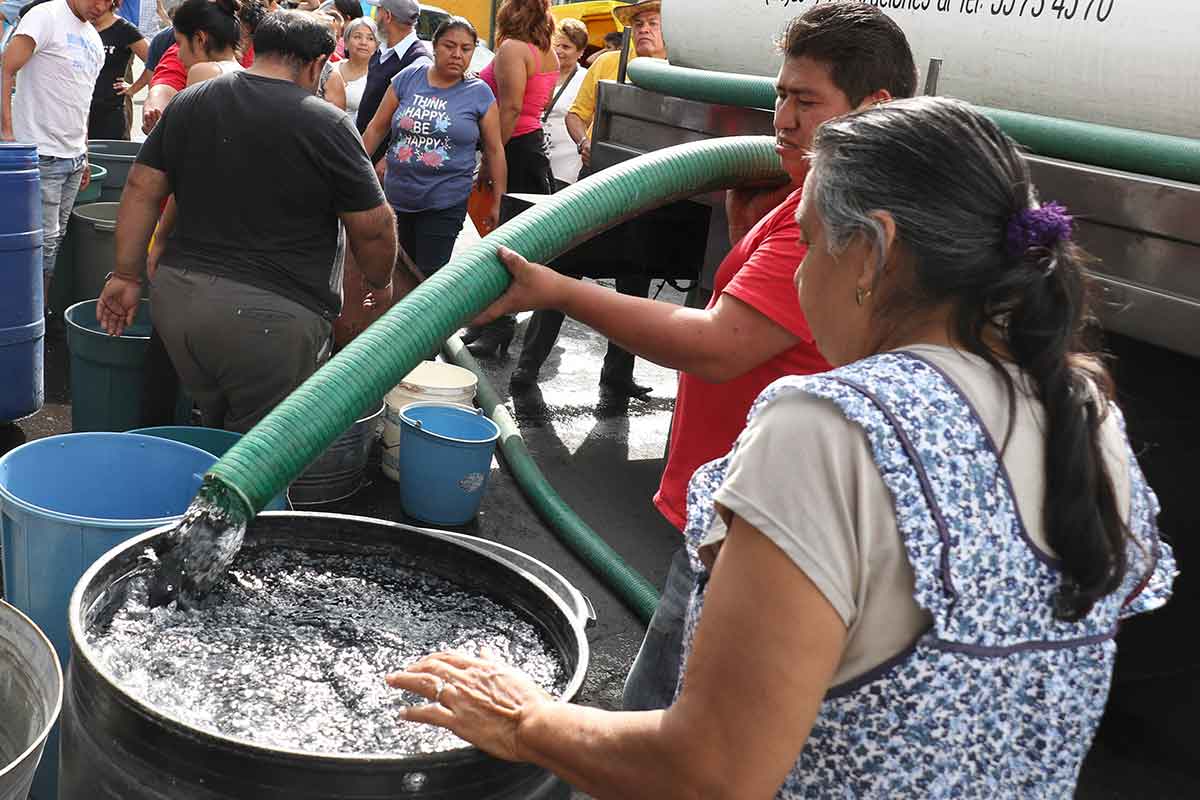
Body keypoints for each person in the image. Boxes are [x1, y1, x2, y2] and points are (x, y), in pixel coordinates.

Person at [385, 94, 1178, 800]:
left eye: (806, 243)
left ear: (872, 251)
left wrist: (526, 720)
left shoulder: (830, 427)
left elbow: (711, 772)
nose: (797, 278)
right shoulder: (1081, 410)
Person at [474, 3, 918, 711]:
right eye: (779, 96)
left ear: (875, 108)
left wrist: (555, 288)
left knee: (670, 734)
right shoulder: (812, 190)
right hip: (738, 510)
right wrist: (746, 232)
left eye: (807, 102)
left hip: (751, 525)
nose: (783, 119)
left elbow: (720, 346)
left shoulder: (838, 216)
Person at [97, 10, 397, 433]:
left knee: (216, 430)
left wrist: (126, 276)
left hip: (181, 307)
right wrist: (379, 283)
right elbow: (375, 227)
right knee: (261, 456)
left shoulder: (191, 101)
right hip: (274, 321)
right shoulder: (327, 123)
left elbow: (141, 189)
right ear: (316, 65)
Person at [532, 0, 668, 399]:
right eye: (638, 22)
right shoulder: (607, 64)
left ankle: (617, 375)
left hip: (654, 194)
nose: (644, 29)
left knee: (634, 287)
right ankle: (527, 368)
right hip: (597, 184)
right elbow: (577, 114)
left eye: (652, 22)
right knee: (563, 267)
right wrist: (584, 141)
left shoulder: (685, 71)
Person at [361, 17, 505, 281]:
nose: (457, 54)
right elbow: (376, 128)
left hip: (445, 201)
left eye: (466, 48)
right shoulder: (408, 78)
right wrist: (354, 172)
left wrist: (498, 201)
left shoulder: (479, 93)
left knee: (428, 280)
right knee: (393, 276)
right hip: (396, 197)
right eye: (450, 46)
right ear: (435, 46)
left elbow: (494, 150)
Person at [460, 0, 557, 359]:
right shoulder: (546, 51)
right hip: (531, 149)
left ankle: (499, 325)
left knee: (502, 239)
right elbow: (534, 108)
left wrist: (491, 154)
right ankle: (490, 321)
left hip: (513, 149)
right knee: (509, 240)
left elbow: (512, 106)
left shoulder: (512, 49)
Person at [1, 0, 105, 307]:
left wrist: (83, 152)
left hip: (72, 157)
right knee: (41, 244)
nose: (101, 6)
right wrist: (7, 134)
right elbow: (6, 70)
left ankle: (38, 313)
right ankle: (30, 316)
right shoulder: (45, 16)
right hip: (39, 153)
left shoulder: (94, 39)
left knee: (54, 242)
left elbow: (81, 99)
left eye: (110, 1)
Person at [355, 0, 429, 165]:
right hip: (366, 153)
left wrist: (389, 157)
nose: (375, 17)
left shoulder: (419, 61)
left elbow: (417, 122)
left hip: (389, 166)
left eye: (378, 11)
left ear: (387, 16)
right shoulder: (382, 51)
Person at [88, 0, 147, 139]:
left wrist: (133, 89)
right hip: (81, 111)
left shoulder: (124, 29)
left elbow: (155, 62)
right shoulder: (83, 27)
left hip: (111, 111)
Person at [544, 17, 587, 188]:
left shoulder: (585, 79)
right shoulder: (542, 73)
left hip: (566, 167)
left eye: (566, 47)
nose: (559, 51)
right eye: (557, 45)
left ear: (581, 52)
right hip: (537, 160)